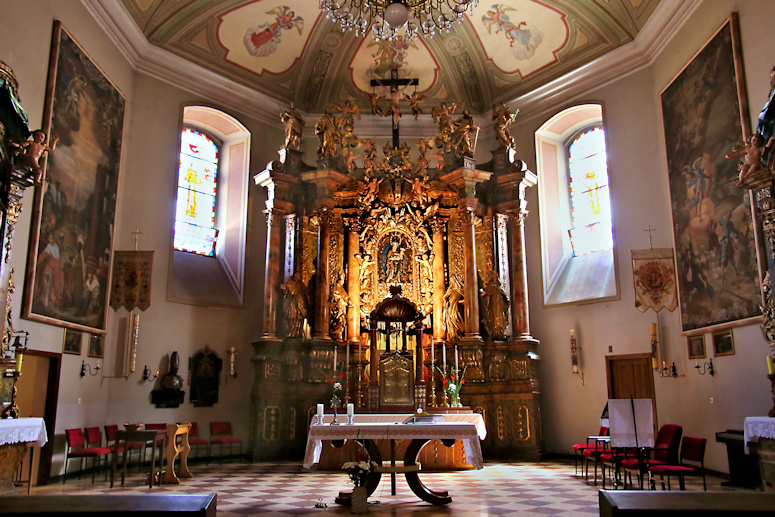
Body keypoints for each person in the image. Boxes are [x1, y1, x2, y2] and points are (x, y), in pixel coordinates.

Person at [480, 274, 510, 340]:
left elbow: (505, 297)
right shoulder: (490, 288)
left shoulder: (499, 288)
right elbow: (485, 294)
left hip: (499, 305)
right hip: (493, 305)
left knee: (500, 317)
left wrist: (506, 301)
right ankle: (495, 332)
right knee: (493, 317)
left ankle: (500, 332)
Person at [281, 272, 309, 338]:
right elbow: (286, 293)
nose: (298, 276)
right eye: (297, 274)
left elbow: (306, 292)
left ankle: (298, 333)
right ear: (294, 275)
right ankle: (290, 333)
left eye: (299, 275)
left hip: (300, 302)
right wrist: (284, 289)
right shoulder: (290, 282)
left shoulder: (301, 284)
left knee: (299, 319)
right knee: (292, 318)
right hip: (293, 302)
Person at [329, 273, 350, 341]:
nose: (342, 282)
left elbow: (346, 297)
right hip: (337, 307)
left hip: (342, 308)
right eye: (342, 280)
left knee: (342, 322)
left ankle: (340, 335)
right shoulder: (336, 287)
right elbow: (333, 295)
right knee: (338, 321)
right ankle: (336, 334)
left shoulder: (341, 289)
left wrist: (348, 302)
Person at [443, 277, 465, 342]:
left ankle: (460, 334)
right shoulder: (450, 289)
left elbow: (466, 297)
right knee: (451, 320)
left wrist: (461, 302)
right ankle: (453, 335)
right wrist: (444, 301)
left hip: (457, 307)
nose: (453, 281)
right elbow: (445, 296)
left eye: (453, 279)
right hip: (451, 307)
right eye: (451, 280)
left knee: (457, 318)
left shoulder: (460, 289)